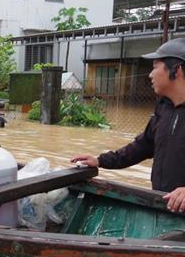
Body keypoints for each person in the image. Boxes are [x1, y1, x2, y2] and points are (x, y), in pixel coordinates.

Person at [71, 38, 185, 213]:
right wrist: (100, 160)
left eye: (155, 67)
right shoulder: (164, 107)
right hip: (164, 207)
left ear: (176, 70)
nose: (150, 74)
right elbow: (142, 146)